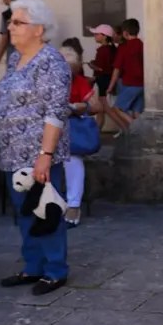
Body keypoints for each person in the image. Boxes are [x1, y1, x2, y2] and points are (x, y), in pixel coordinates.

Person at [0, 0, 71, 295]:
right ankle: (33, 267)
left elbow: (55, 112)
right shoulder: (15, 59)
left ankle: (55, 270)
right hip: (12, 155)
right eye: (11, 22)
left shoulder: (51, 62)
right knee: (24, 213)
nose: (10, 27)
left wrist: (45, 156)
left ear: (38, 29)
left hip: (38, 155)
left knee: (45, 210)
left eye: (17, 22)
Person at [60, 45, 102, 227]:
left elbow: (96, 107)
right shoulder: (44, 81)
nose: (68, 75)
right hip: (44, 132)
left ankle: (73, 205)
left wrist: (79, 106)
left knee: (72, 159)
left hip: (68, 133)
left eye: (71, 71)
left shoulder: (78, 81)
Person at [107, 18, 144, 136]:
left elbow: (117, 69)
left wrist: (110, 86)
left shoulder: (124, 48)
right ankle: (140, 132)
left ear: (125, 33)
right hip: (143, 84)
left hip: (130, 83)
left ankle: (136, 128)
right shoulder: (142, 45)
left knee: (118, 108)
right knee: (136, 112)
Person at [86, 24, 117, 129]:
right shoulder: (110, 49)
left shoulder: (104, 50)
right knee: (102, 108)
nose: (95, 36)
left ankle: (125, 127)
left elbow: (101, 69)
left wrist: (92, 65)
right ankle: (97, 130)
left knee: (105, 107)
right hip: (105, 79)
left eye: (97, 34)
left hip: (103, 80)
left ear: (104, 36)